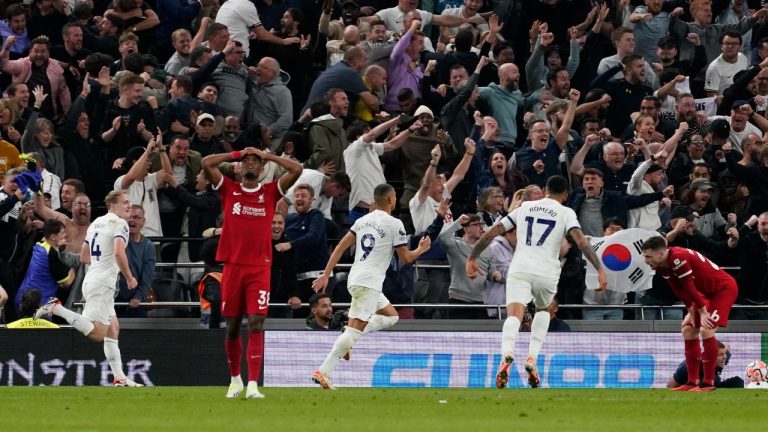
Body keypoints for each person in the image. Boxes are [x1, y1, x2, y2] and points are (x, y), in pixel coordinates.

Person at [466, 175, 607, 389]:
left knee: (515, 314)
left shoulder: (525, 206)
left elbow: (493, 232)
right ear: (566, 196)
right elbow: (580, 240)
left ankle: (506, 354)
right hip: (547, 271)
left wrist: (472, 257)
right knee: (542, 311)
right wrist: (599, 268)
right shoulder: (566, 212)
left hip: (520, 267)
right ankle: (532, 358)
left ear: (545, 189)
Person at [201, 146, 302, 399]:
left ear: (262, 167)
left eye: (255, 161)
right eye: (246, 161)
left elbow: (297, 169)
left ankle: (254, 385)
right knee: (233, 326)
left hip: (259, 267)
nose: (250, 164)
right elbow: (206, 162)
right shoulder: (228, 189)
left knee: (256, 322)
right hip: (233, 266)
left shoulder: (269, 192)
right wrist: (235, 154)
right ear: (240, 166)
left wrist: (268, 155)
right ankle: (235, 380)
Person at [311, 183, 431, 389]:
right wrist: (421, 249)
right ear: (392, 200)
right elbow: (405, 259)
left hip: (356, 279)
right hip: (369, 283)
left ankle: (348, 337)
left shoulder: (362, 220)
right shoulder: (395, 224)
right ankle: (323, 371)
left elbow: (340, 246)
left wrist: (326, 274)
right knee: (353, 332)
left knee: (391, 316)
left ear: (375, 200)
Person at [33, 190, 144, 387]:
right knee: (97, 334)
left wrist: (101, 265)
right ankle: (56, 308)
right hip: (102, 284)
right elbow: (119, 253)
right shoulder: (120, 224)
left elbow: (84, 256)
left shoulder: (96, 223)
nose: (129, 206)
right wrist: (129, 277)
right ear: (113, 205)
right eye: (125, 202)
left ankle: (120, 378)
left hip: (93, 278)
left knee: (113, 329)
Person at [642, 236, 739, 392]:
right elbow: (678, 289)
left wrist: (701, 311)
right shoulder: (662, 266)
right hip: (706, 295)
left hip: (723, 290)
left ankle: (708, 383)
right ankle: (692, 382)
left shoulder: (677, 258)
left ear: (660, 254)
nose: (646, 260)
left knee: (706, 329)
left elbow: (688, 285)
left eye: (648, 256)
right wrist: (691, 310)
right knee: (688, 330)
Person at [667, 341, 744, 389]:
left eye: (724, 354)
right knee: (714, 380)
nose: (724, 357)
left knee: (738, 382)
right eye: (721, 355)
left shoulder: (723, 357)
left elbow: (726, 345)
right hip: (692, 387)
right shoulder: (690, 365)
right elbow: (671, 386)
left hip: (710, 384)